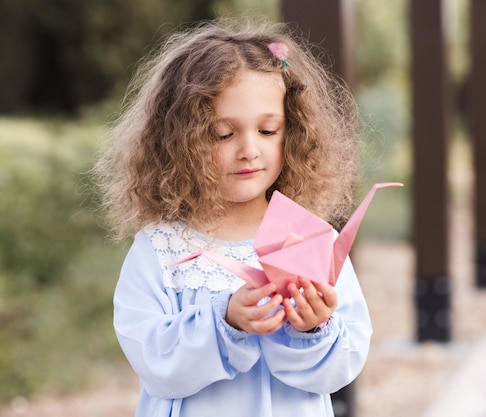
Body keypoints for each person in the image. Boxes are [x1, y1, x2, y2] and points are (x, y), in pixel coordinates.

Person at [93, 18, 371, 417]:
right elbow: (153, 361)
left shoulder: (309, 238)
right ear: (180, 141)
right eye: (224, 134)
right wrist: (225, 322)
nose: (249, 150)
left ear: (292, 132)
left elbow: (344, 364)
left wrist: (314, 328)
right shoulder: (161, 249)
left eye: (268, 130)